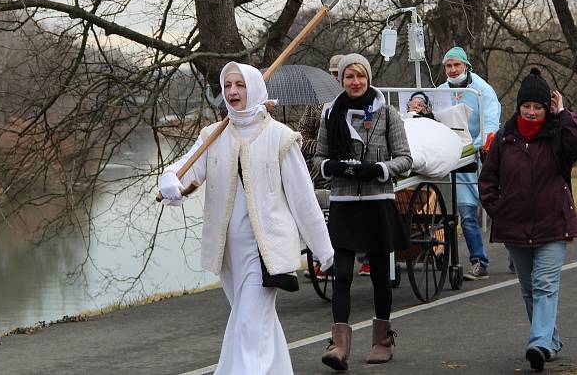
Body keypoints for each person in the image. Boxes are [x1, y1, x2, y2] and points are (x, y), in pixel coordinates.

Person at [158, 62, 334, 375]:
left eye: (239, 85)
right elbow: (184, 168)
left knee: (251, 323)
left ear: (253, 88)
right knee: (253, 320)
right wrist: (169, 180)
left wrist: (325, 251)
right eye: (228, 86)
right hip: (228, 252)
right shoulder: (213, 136)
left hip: (265, 251)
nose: (233, 91)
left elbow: (303, 197)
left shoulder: (280, 137)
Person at [479, 68, 577, 372]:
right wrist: (499, 210)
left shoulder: (557, 136)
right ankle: (549, 342)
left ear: (547, 108)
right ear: (518, 107)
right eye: (526, 106)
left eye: (538, 107)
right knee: (530, 289)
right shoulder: (504, 138)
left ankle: (538, 342)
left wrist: (563, 113)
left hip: (553, 225)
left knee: (544, 285)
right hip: (514, 228)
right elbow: (487, 181)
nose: (531, 112)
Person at [314, 53, 412, 371]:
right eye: (349, 77)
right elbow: (319, 159)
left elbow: (404, 158)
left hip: (377, 202)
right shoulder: (331, 114)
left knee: (380, 277)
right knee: (340, 275)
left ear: (368, 78)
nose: (355, 82)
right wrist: (334, 166)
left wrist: (378, 169)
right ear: (341, 80)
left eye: (360, 76)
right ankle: (338, 346)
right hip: (343, 204)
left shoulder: (387, 114)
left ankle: (382, 341)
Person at [438, 46, 501, 280]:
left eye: (457, 65)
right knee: (466, 213)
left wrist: (477, 145)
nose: (453, 70)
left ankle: (517, 253)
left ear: (466, 66)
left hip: (485, 156)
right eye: (448, 66)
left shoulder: (483, 90)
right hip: (459, 159)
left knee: (498, 210)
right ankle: (479, 261)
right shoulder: (440, 91)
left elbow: (491, 121)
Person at [298, 54, 343, 280]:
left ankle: (361, 257)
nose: (336, 78)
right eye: (333, 74)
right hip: (317, 163)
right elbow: (302, 135)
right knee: (316, 205)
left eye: (339, 74)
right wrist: (320, 148)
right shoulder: (315, 102)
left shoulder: (354, 100)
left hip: (344, 164)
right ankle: (322, 258)